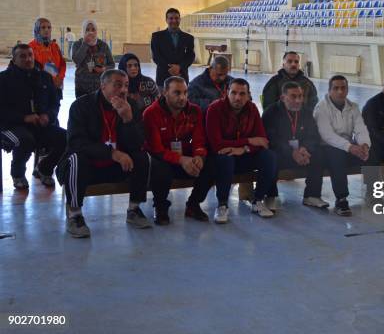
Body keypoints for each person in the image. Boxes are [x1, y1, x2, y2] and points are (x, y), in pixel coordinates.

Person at [56, 69, 152, 238]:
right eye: (117, 85)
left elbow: (137, 145)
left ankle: (134, 209)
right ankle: (74, 214)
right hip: (87, 167)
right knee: (77, 159)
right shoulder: (81, 106)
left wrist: (128, 119)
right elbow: (77, 143)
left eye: (126, 86)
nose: (123, 90)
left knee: (142, 157)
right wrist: (112, 153)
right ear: (103, 86)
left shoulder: (131, 106)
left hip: (115, 168)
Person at [144, 77, 214, 225]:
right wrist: (181, 160)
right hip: (163, 158)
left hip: (185, 156)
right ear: (165, 93)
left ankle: (193, 205)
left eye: (185, 92)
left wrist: (199, 156)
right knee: (159, 167)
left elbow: (199, 140)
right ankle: (160, 207)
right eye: (177, 93)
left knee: (211, 163)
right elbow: (156, 149)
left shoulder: (194, 111)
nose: (182, 97)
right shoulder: (151, 113)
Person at [205, 79, 277, 222]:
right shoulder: (214, 109)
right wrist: (248, 141)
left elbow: (262, 140)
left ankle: (257, 200)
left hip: (244, 155)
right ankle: (222, 205)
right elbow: (216, 144)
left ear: (248, 95)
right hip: (220, 158)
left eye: (242, 94)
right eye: (234, 93)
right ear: (227, 93)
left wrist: (244, 149)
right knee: (226, 158)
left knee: (269, 156)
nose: (238, 98)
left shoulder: (252, 109)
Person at [0, 44, 66, 189]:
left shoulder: (44, 77)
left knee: (66, 138)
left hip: (40, 124)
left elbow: (54, 103)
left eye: (30, 55)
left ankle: (44, 168)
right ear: (14, 59)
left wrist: (48, 116)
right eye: (22, 56)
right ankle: (18, 174)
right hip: (10, 126)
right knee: (25, 139)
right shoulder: (4, 79)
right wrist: (24, 118)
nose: (28, 59)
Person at [263, 81, 329, 209]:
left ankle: (312, 196)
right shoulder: (271, 113)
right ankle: (270, 196)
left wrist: (305, 148)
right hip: (281, 154)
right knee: (270, 157)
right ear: (283, 98)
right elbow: (272, 139)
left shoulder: (306, 112)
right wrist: (292, 152)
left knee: (319, 154)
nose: (298, 100)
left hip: (301, 154)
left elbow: (313, 135)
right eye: (293, 96)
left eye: (301, 96)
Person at [313, 75, 371, 216]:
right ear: (329, 90)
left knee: (373, 153)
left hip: (348, 146)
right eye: (336, 88)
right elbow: (327, 135)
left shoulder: (353, 107)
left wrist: (364, 145)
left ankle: (374, 194)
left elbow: (361, 129)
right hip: (327, 148)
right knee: (337, 155)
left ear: (347, 89)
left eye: (343, 88)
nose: (340, 91)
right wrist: (350, 147)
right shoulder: (321, 108)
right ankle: (341, 199)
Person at [151, 8, 195, 88]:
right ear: (166, 20)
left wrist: (179, 67)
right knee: (163, 100)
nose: (174, 21)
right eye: (171, 18)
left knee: (181, 100)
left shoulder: (188, 38)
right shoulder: (157, 37)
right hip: (163, 78)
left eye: (176, 18)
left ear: (180, 19)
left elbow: (190, 56)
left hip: (182, 76)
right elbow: (156, 56)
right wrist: (171, 68)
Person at [72, 19, 115, 98]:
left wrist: (104, 69)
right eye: (87, 30)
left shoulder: (103, 45)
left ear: (96, 31)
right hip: (82, 86)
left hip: (100, 86)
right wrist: (85, 44)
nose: (90, 32)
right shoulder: (77, 44)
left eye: (93, 29)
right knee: (82, 109)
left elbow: (112, 64)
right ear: (83, 31)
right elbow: (76, 60)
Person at [29, 17, 67, 98]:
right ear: (37, 29)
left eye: (49, 27)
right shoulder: (31, 47)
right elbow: (30, 68)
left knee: (55, 109)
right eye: (43, 27)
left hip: (56, 85)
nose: (46, 30)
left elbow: (62, 64)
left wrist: (60, 78)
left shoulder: (55, 46)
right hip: (40, 87)